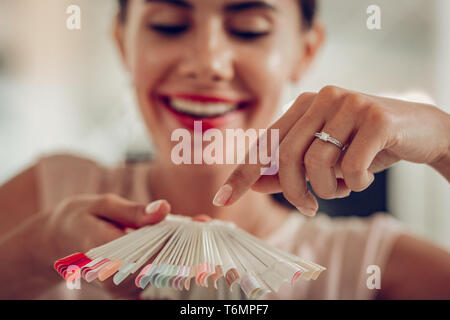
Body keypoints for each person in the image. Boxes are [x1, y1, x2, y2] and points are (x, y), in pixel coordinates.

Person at [0, 0, 449, 300]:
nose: (207, 62)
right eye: (168, 25)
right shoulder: (49, 198)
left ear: (305, 52)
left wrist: (443, 139)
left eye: (250, 30)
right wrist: (42, 251)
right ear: (123, 43)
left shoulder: (369, 264)